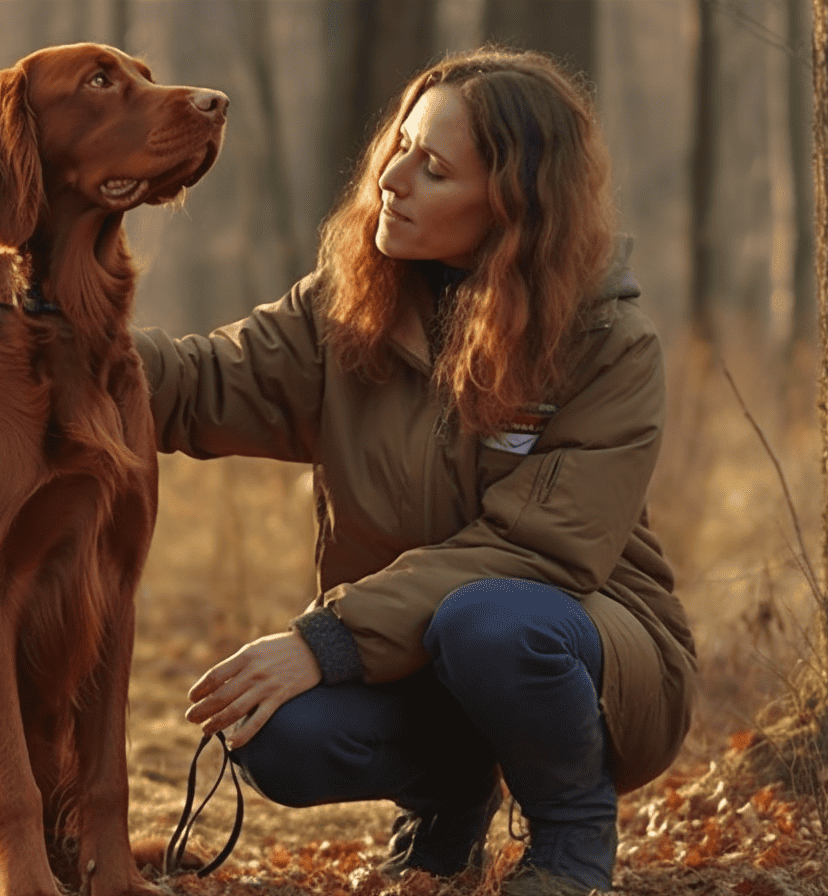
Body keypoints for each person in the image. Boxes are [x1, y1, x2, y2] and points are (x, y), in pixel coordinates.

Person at [133, 47, 696, 896]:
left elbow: (538, 550)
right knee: (277, 735)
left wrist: (327, 640)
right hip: (422, 659)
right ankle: (447, 805)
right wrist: (61, 340)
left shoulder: (608, 343)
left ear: (514, 202)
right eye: (399, 147)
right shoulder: (347, 307)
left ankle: (571, 836)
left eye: (433, 168)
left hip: (595, 662)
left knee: (489, 622)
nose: (391, 179)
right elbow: (202, 383)